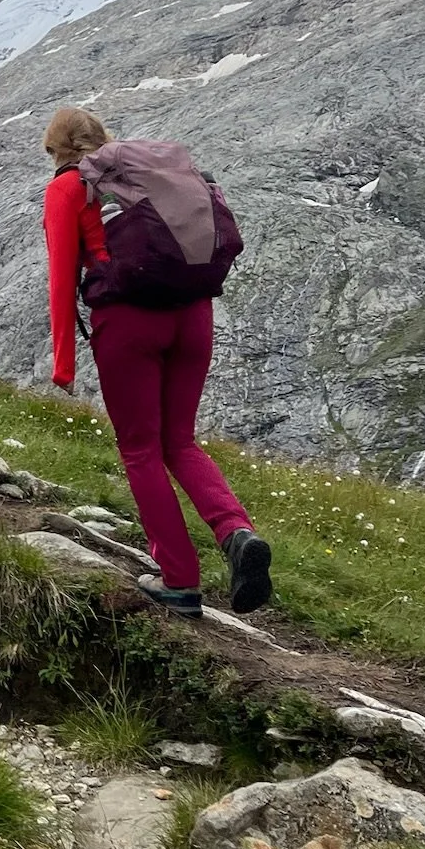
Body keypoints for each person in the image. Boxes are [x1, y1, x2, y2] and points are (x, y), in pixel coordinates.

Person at [41, 106, 272, 617]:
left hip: (128, 323)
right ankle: (236, 532)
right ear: (105, 139)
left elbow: (62, 276)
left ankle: (180, 581)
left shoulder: (67, 187)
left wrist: (63, 361)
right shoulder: (153, 174)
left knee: (142, 449)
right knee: (181, 441)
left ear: (55, 150)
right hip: (194, 314)